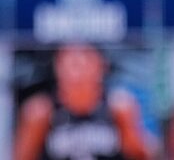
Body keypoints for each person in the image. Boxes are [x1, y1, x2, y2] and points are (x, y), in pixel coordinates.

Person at [13, 44, 154, 160]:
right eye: (71, 62)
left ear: (101, 66)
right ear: (57, 67)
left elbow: (143, 155)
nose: (77, 70)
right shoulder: (40, 111)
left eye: (85, 60)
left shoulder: (119, 106)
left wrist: (127, 128)